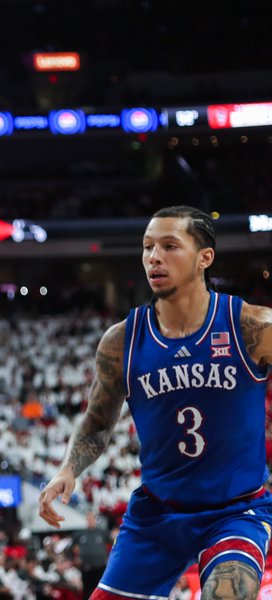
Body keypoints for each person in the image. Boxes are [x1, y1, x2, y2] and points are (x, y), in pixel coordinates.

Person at [39, 206, 272, 599]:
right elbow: (97, 423)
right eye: (147, 247)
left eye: (169, 246)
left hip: (234, 510)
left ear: (205, 258)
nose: (154, 257)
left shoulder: (251, 326)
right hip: (157, 514)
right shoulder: (122, 341)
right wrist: (68, 469)